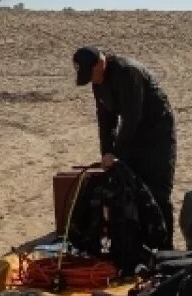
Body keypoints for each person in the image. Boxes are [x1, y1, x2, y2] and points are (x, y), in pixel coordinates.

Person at [73, 46, 177, 247]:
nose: (91, 80)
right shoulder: (98, 83)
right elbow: (106, 121)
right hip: (133, 136)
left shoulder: (127, 72)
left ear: (100, 64)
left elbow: (132, 118)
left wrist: (117, 154)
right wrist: (106, 153)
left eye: (90, 74)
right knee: (129, 188)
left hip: (157, 135)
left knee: (157, 191)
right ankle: (139, 245)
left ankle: (165, 249)